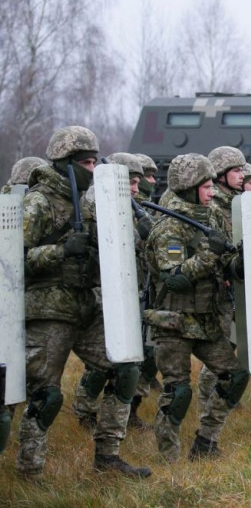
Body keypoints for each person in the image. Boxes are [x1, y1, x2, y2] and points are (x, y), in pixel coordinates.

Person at [17, 126, 151, 478]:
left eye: (95, 162)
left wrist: (137, 235)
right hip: (47, 308)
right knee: (46, 395)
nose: (93, 169)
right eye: (87, 163)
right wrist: (60, 251)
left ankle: (108, 457)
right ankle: (30, 471)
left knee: (125, 368)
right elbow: (13, 259)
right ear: (66, 163)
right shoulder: (39, 201)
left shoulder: (93, 200)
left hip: (87, 305)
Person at [143, 153, 248, 461]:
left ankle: (206, 442)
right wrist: (209, 253)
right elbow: (174, 279)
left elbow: (225, 262)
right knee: (177, 393)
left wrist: (239, 262)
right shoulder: (168, 228)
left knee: (235, 377)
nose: (212, 192)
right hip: (173, 321)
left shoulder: (211, 217)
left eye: (212, 186)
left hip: (206, 320)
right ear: (189, 188)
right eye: (205, 187)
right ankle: (169, 459)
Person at [71, 153, 156, 431]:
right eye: (131, 182)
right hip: (100, 294)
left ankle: (126, 414)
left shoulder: (132, 209)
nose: (136, 189)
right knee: (103, 362)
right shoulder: (95, 204)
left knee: (133, 359)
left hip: (132, 292)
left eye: (138, 182)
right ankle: (85, 409)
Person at [195, 146, 246, 414]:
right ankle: (206, 401)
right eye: (236, 170)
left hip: (238, 283)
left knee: (234, 342)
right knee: (222, 347)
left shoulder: (239, 205)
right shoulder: (212, 207)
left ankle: (223, 396)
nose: (242, 175)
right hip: (220, 288)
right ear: (221, 175)